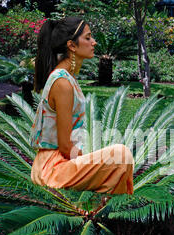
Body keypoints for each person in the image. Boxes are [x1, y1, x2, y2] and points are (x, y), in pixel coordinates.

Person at [30, 17, 134, 195]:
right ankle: (111, 209)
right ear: (71, 45)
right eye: (88, 37)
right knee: (120, 155)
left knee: (116, 157)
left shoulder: (66, 78)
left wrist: (89, 160)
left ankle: (111, 210)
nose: (94, 42)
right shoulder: (62, 82)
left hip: (58, 162)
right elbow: (64, 146)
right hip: (53, 169)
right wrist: (87, 160)